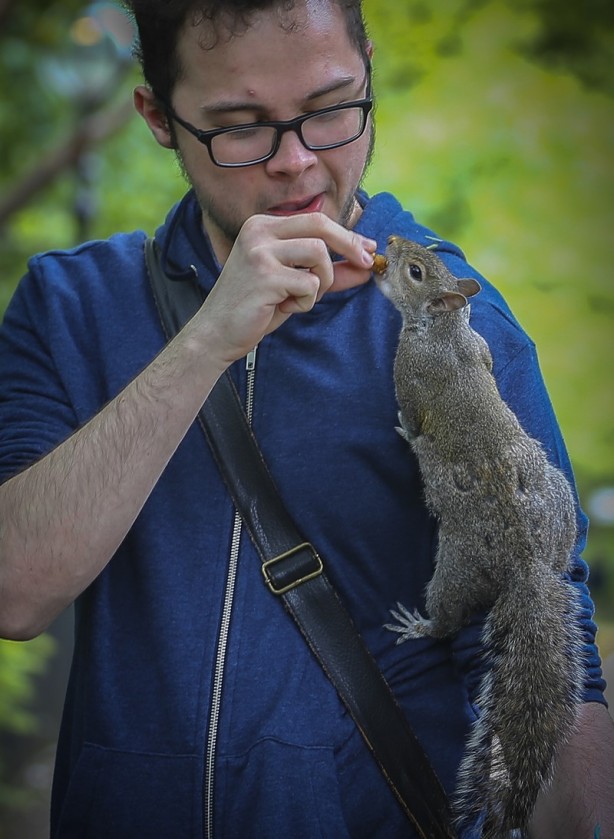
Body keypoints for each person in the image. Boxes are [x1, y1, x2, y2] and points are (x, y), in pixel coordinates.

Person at [0, 0, 612, 836]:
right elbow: (14, 591)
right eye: (240, 126)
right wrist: (204, 341)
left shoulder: (461, 329)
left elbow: (545, 638)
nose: (297, 165)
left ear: (368, 77)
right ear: (159, 118)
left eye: (330, 111)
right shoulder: (70, 306)